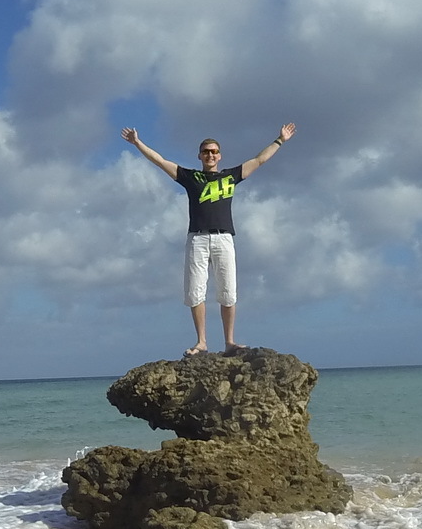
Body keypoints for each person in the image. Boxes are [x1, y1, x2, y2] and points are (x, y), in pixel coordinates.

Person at [121, 123, 296, 355]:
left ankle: (229, 342)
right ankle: (201, 342)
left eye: (214, 151)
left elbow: (259, 160)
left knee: (228, 291)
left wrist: (280, 140)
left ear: (219, 155)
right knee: (195, 291)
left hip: (224, 238)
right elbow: (160, 161)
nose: (210, 155)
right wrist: (137, 143)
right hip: (198, 239)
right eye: (206, 152)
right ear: (200, 156)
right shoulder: (191, 177)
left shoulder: (231, 176)